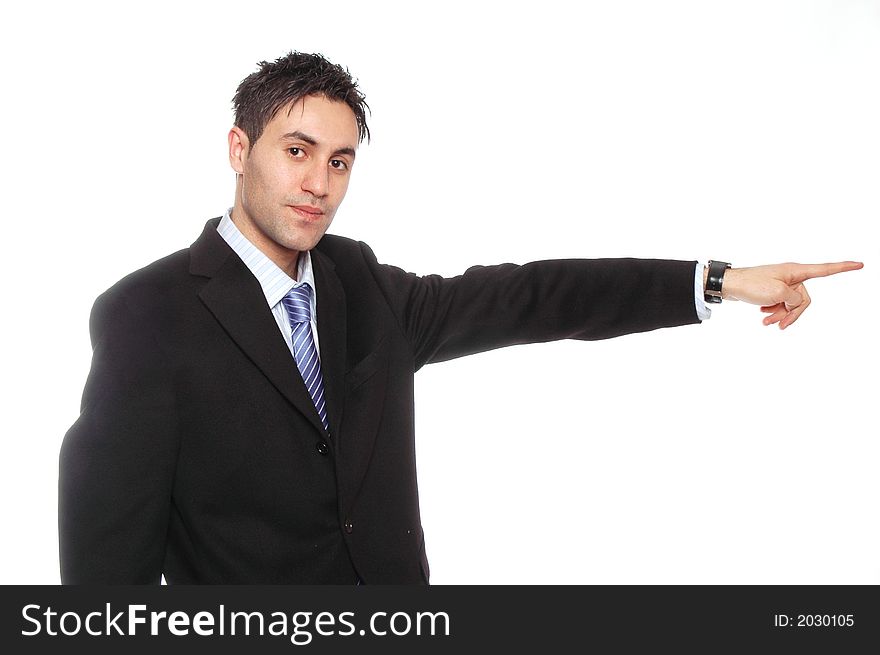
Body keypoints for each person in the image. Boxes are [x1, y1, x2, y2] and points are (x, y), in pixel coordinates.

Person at [58, 52, 863, 584]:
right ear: (240, 148)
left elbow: (532, 296)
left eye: (340, 162)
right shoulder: (146, 316)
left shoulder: (361, 285)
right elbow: (104, 579)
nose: (319, 185)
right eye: (296, 151)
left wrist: (717, 281)